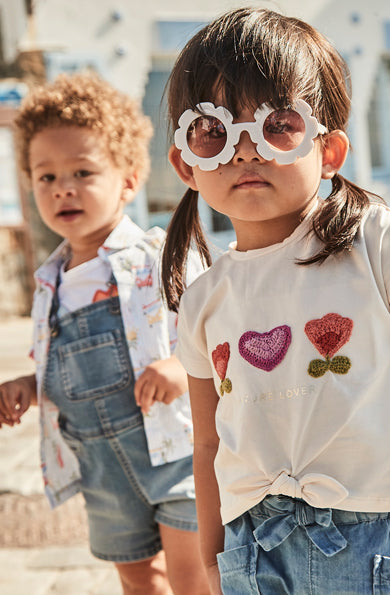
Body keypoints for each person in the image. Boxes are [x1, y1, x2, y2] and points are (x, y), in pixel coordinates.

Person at [161, 7, 390, 594]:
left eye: (278, 124)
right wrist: (211, 560)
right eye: (214, 130)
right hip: (254, 552)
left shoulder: (380, 245)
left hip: (389, 538)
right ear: (186, 162)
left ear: (329, 151)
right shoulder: (204, 298)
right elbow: (206, 443)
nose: (246, 150)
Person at [0, 72, 208, 595]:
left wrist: (183, 364)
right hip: (102, 472)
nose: (63, 187)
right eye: (46, 177)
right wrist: (31, 383)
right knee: (138, 577)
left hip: (178, 450)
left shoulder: (163, 255)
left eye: (83, 171)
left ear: (130, 179)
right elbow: (66, 361)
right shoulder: (49, 281)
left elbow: (220, 334)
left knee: (195, 576)